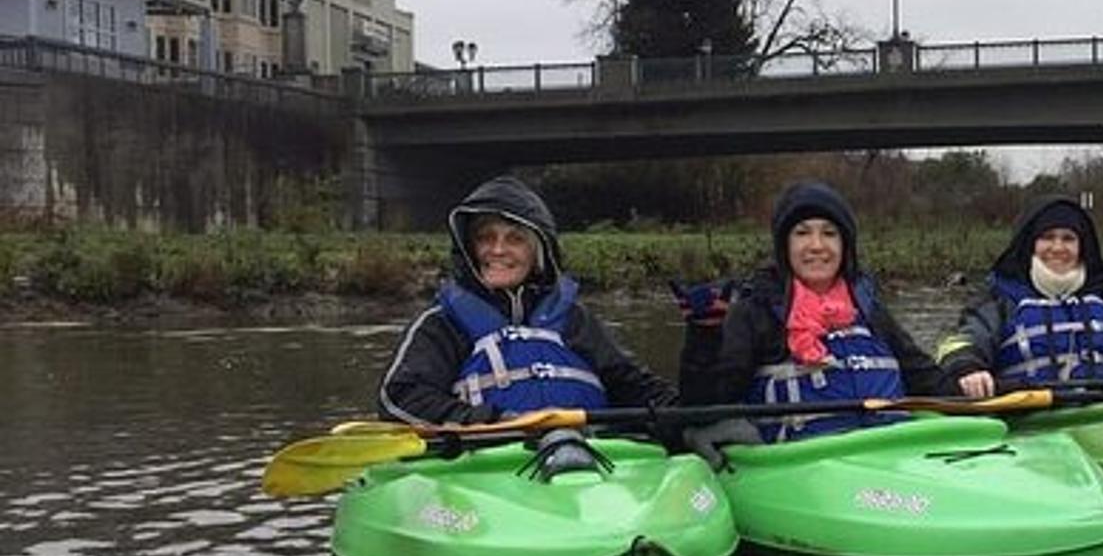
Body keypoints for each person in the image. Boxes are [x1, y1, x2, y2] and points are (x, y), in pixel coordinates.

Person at [377, 174, 680, 426]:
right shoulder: (443, 323)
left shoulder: (575, 319)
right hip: (488, 463)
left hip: (589, 457)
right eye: (485, 237)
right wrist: (489, 421)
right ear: (469, 249)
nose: (497, 250)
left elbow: (632, 386)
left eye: (515, 239)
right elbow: (401, 397)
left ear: (539, 253)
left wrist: (684, 415)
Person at [681, 180, 951, 442]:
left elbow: (928, 380)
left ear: (845, 246)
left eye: (829, 233)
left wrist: (972, 377)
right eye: (802, 233)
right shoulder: (754, 313)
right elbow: (704, 404)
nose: (817, 245)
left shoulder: (871, 310)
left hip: (888, 455)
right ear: (784, 246)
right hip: (800, 467)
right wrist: (704, 337)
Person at [938, 196, 1103, 398]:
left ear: (1081, 247)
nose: (1058, 248)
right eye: (1047, 238)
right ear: (1030, 245)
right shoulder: (1000, 300)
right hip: (1027, 424)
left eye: (1068, 239)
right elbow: (962, 342)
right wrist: (967, 368)